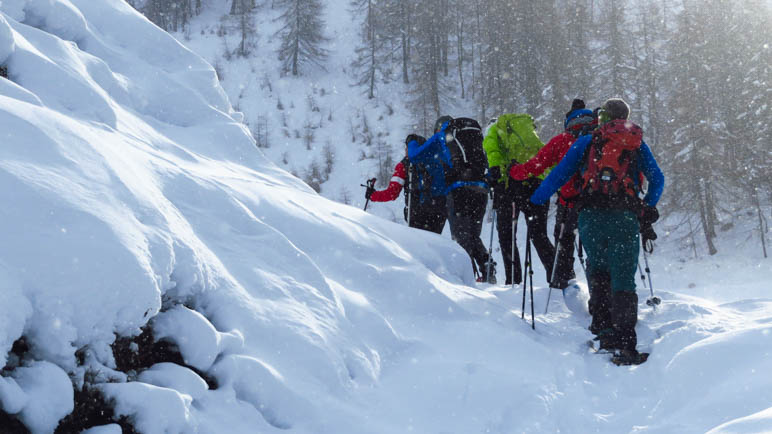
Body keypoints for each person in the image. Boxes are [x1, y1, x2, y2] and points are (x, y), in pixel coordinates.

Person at [530, 98, 665, 365]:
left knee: (599, 271)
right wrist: (647, 207)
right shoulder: (636, 143)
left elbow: (559, 175)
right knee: (624, 278)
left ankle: (605, 335)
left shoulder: (588, 141)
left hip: (591, 216)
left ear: (603, 117)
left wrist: (535, 199)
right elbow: (658, 179)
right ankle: (627, 345)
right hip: (625, 217)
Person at [509, 99, 597, 289]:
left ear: (569, 121)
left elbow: (537, 165)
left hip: (570, 203)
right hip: (599, 201)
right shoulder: (601, 138)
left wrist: (515, 171)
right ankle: (602, 292)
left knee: (563, 243)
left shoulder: (562, 140)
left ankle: (564, 282)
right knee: (597, 248)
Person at [410, 116, 495, 282]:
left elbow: (415, 156)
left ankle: (467, 280)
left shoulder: (442, 135)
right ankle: (488, 271)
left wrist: (412, 141)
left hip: (459, 190)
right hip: (481, 189)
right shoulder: (473, 136)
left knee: (460, 237)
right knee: (473, 236)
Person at [483, 114, 556, 285]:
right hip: (536, 182)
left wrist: (494, 170)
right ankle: (557, 276)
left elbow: (492, 151)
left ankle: (514, 280)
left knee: (506, 235)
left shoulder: (493, 131)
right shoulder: (524, 131)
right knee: (539, 235)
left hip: (509, 186)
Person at [365, 134, 448, 234]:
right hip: (439, 211)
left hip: (417, 213)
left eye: (406, 147)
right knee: (435, 244)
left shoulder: (404, 165)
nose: (405, 150)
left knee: (420, 245)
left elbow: (392, 193)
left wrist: (373, 195)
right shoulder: (436, 161)